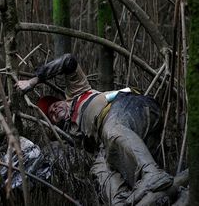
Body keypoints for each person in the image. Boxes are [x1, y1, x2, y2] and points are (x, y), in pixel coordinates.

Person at [16, 53, 173, 205]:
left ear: (62, 101)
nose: (55, 110)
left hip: (131, 107)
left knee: (111, 130)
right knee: (99, 168)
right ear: (54, 124)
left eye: (55, 105)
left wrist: (33, 81)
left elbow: (68, 61)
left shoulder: (77, 92)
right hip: (114, 137)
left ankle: (152, 173)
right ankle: (122, 201)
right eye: (51, 114)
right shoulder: (72, 135)